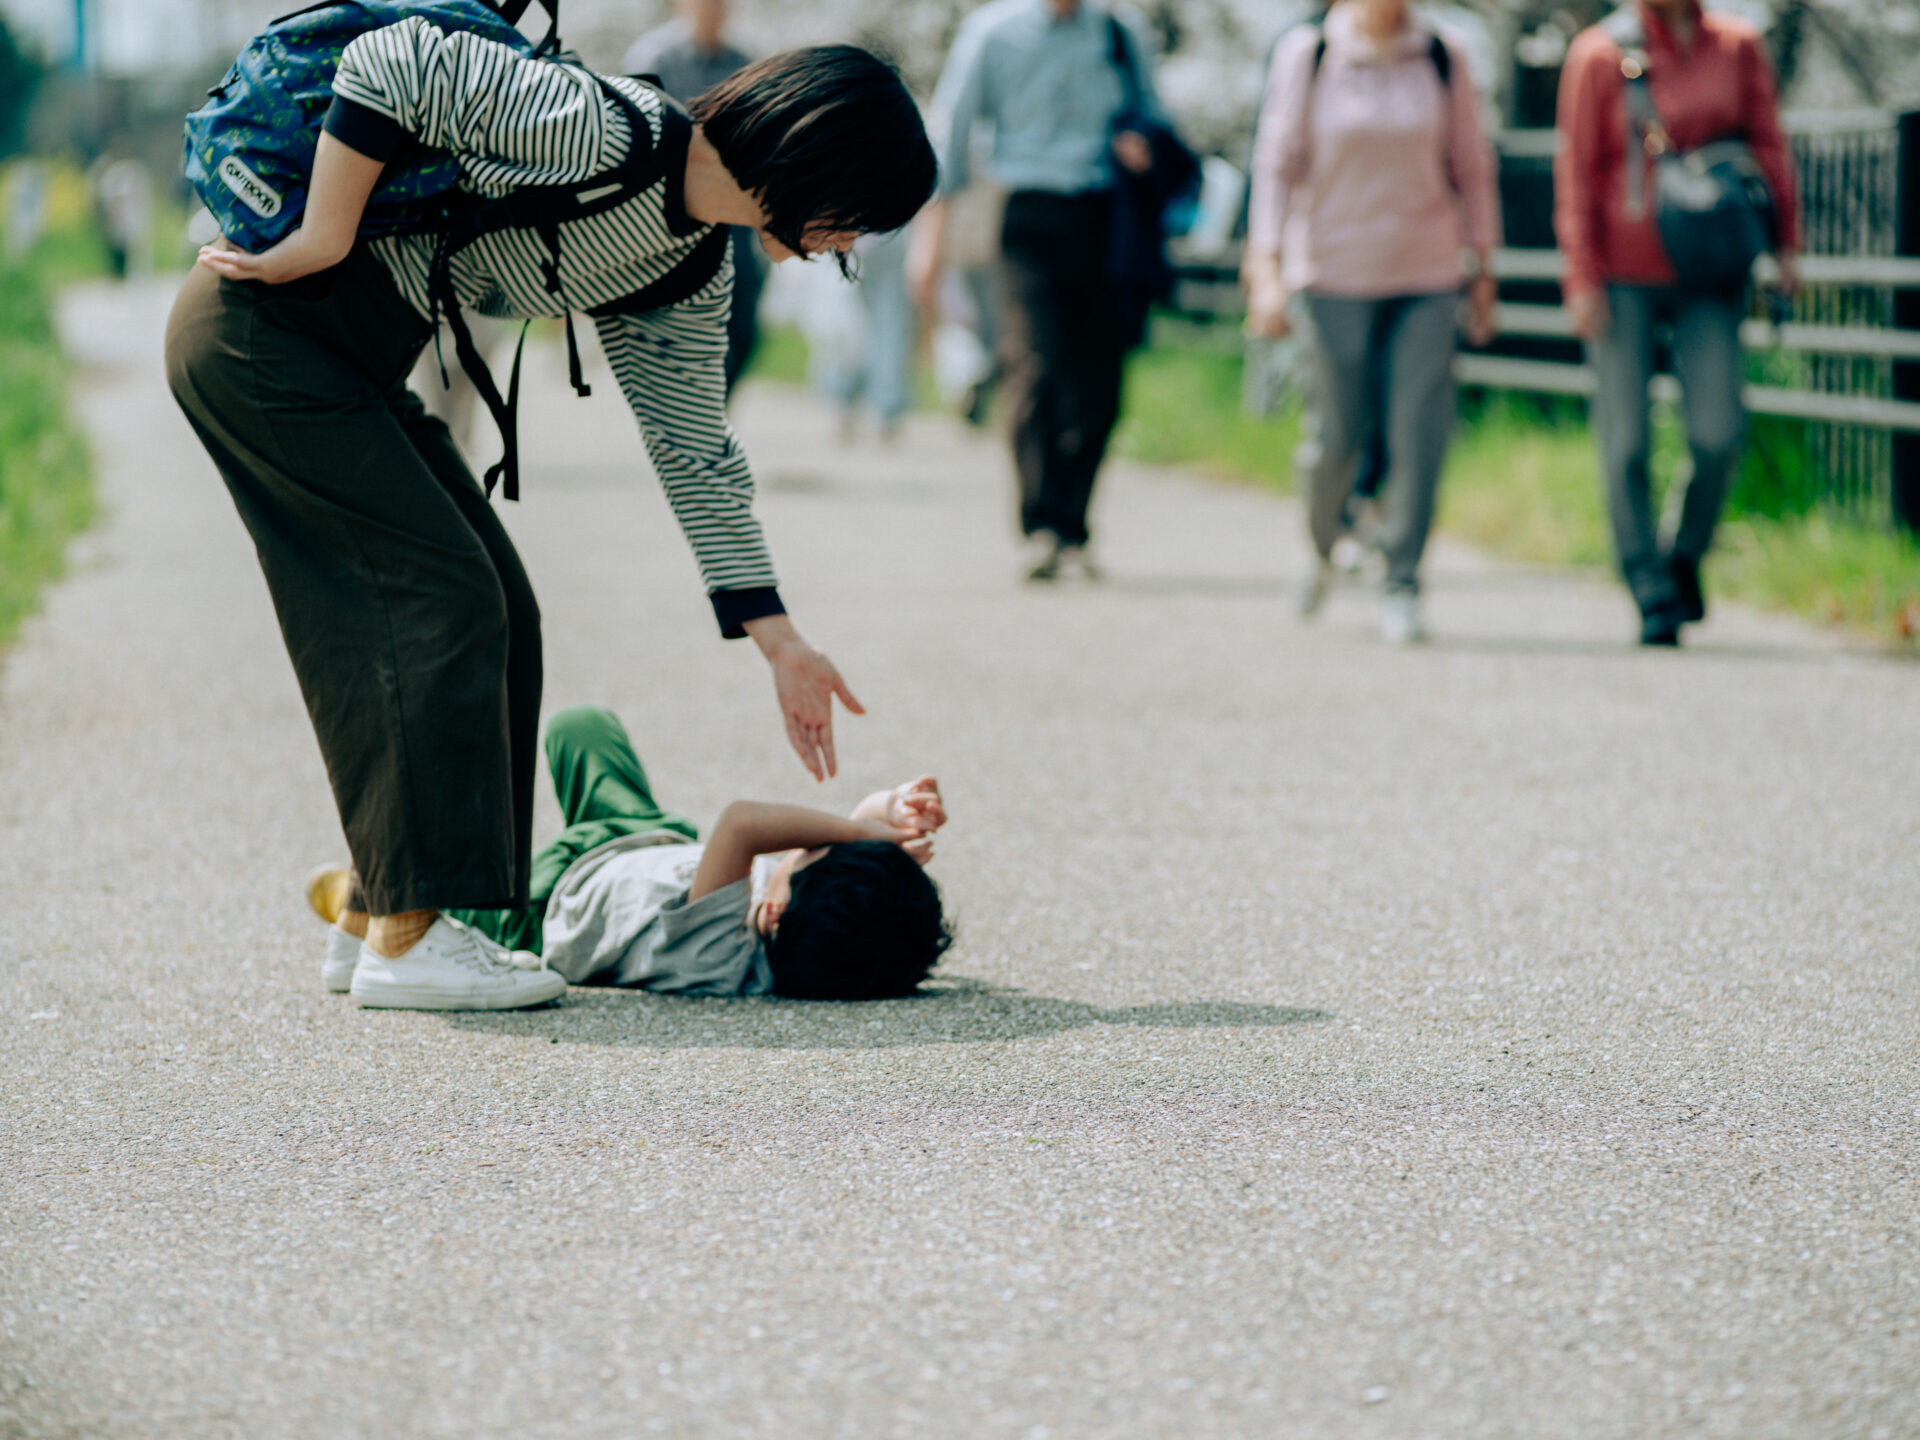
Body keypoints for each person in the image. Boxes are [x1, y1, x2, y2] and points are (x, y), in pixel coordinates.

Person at [166, 26, 938, 1011]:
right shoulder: (607, 134)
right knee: (444, 599)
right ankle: (414, 941)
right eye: (854, 220)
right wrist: (321, 231)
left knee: (503, 610)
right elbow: (393, 63)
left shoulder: (688, 267)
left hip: (343, 360)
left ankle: (382, 910)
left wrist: (778, 637)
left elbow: (696, 450)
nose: (846, 246)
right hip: (266, 334)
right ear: (817, 161)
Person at [306, 706, 953, 1005]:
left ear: (777, 911)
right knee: (580, 726)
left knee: (430, 900)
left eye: (810, 853)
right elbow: (851, 888)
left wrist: (864, 833)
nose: (807, 846)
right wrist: (883, 814)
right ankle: (369, 901)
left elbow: (743, 822)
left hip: (546, 902)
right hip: (640, 838)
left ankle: (361, 905)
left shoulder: (720, 955)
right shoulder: (807, 931)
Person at [1243, 0, 1499, 645]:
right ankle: (1322, 543)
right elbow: (1276, 164)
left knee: (1420, 431)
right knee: (1336, 434)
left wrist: (1485, 267)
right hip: (1333, 270)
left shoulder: (1444, 54)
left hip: (1428, 272)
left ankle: (1403, 579)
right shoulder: (1310, 53)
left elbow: (1472, 163)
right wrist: (1265, 268)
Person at [1554, 0, 1798, 646]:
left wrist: (1786, 245)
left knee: (1718, 431)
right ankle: (1648, 584)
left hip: (1712, 266)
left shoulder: (1737, 46)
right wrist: (1580, 277)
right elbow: (1575, 171)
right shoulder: (1600, 55)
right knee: (1625, 437)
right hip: (1622, 268)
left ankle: (1684, 553)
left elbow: (1769, 143)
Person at [915, 0, 1170, 583]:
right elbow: (952, 138)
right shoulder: (993, 32)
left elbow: (1156, 116)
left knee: (1101, 377)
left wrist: (1144, 144)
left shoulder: (1119, 31)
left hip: (1107, 218)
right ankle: (1041, 525)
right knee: (1034, 363)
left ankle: (1075, 522)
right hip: (1029, 215)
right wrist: (932, 240)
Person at [622, 0, 768, 392]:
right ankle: (690, 413)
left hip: (734, 222)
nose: (714, 9)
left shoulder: (745, 63)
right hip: (668, 222)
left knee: (744, 330)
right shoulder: (653, 58)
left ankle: (713, 408)